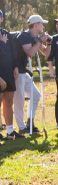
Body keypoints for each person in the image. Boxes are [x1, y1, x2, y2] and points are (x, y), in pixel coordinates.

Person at [14, 15, 52, 137]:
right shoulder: (25, 36)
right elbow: (30, 53)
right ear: (36, 25)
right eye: (42, 24)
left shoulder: (35, 38)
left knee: (35, 95)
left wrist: (49, 43)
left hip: (23, 71)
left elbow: (45, 53)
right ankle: (21, 127)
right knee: (19, 99)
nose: (43, 26)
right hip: (16, 71)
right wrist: (40, 40)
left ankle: (30, 121)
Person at [0, 9, 19, 141]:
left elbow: (13, 53)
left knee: (9, 103)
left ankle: (10, 131)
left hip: (9, 73)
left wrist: (16, 66)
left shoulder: (6, 33)